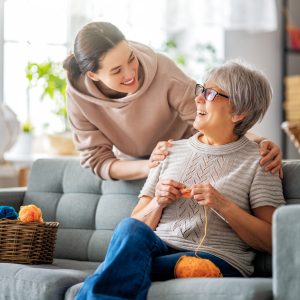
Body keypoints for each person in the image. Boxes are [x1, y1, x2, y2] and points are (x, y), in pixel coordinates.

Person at [75, 61, 285, 300]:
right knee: (129, 228)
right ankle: (152, 270)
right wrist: (158, 202)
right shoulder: (169, 150)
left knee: (123, 263)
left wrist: (223, 205)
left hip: (216, 259)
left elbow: (272, 240)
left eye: (211, 94)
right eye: (201, 90)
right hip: (159, 251)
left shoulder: (262, 160)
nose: (198, 99)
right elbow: (135, 225)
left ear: (239, 112)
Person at [63, 21, 282, 181]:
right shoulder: (78, 96)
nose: (131, 73)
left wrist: (260, 141)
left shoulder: (163, 70)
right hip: (139, 169)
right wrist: (150, 166)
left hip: (189, 156)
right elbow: (98, 161)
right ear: (93, 75)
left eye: (131, 58)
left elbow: (213, 119)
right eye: (117, 70)